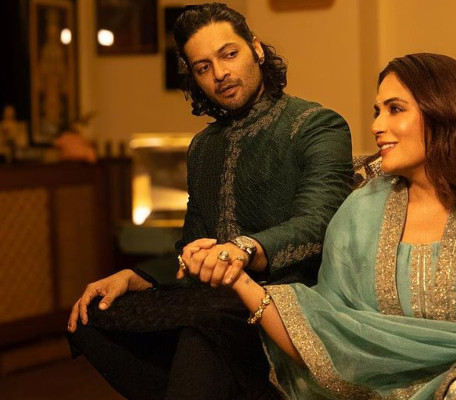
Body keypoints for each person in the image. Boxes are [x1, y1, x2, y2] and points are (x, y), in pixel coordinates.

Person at [210, 53, 456, 399]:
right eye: (377, 111)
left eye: (395, 109)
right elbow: (329, 336)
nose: (377, 125)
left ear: (444, 112)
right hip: (373, 393)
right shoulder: (360, 212)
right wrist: (238, 278)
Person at [66, 3, 353, 400]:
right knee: (91, 319)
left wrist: (243, 249)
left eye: (229, 54)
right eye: (203, 67)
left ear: (256, 49)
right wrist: (138, 277)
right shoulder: (203, 147)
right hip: (213, 301)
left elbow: (319, 223)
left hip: (285, 300)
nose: (219, 73)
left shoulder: (316, 125)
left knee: (205, 328)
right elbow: (191, 246)